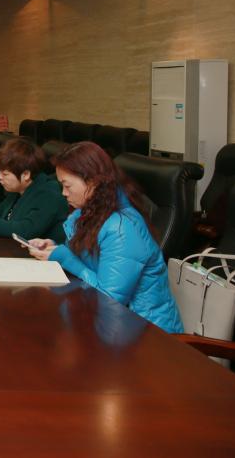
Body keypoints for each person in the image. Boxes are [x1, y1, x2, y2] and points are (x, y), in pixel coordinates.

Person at [26, 141, 183, 333]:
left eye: (67, 186)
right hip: (108, 322)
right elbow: (88, 258)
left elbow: (109, 300)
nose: (63, 193)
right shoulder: (90, 211)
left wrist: (64, 257)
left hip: (147, 332)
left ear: (93, 182)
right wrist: (55, 248)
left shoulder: (123, 228)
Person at [0, 138, 68, 242]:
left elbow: (27, 230)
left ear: (26, 174)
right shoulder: (18, 188)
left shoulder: (49, 193)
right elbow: (2, 212)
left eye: (5, 174)